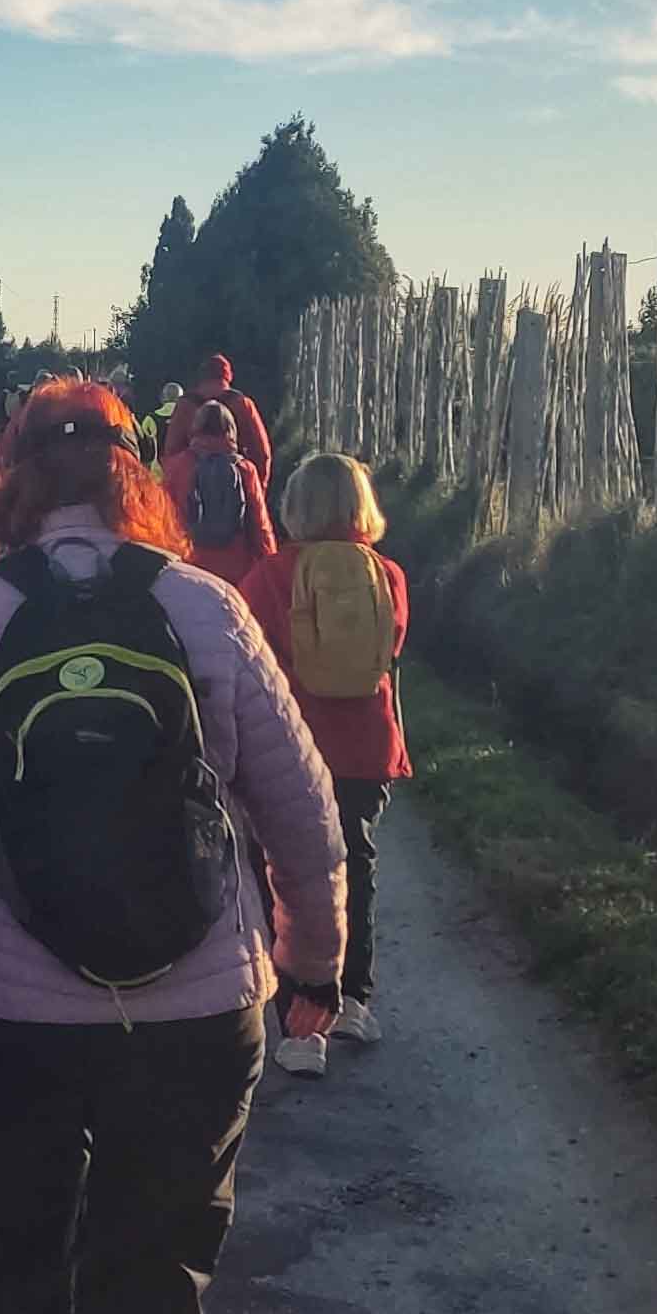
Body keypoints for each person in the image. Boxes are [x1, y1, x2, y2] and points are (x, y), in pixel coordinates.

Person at [0, 380, 346, 1314]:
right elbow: (305, 811)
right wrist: (311, 964)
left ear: (15, 479)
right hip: (197, 1000)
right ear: (137, 475)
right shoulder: (205, 606)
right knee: (159, 1278)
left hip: (10, 1006)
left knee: (31, 1255)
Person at [237, 453, 410, 1077]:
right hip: (367, 746)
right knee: (355, 866)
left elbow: (251, 663)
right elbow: (390, 646)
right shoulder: (386, 574)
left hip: (292, 747)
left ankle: (300, 1025)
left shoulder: (271, 577)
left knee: (289, 876)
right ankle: (356, 1001)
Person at [162, 400, 276, 589]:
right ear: (231, 431)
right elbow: (260, 526)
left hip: (190, 567)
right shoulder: (245, 469)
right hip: (238, 573)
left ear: (195, 429)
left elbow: (164, 520)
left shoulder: (178, 466)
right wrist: (271, 570)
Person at [170, 353, 273, 480]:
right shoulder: (242, 404)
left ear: (202, 376)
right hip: (235, 485)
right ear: (228, 377)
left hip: (190, 485)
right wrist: (257, 487)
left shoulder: (185, 405)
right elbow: (262, 454)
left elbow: (171, 452)